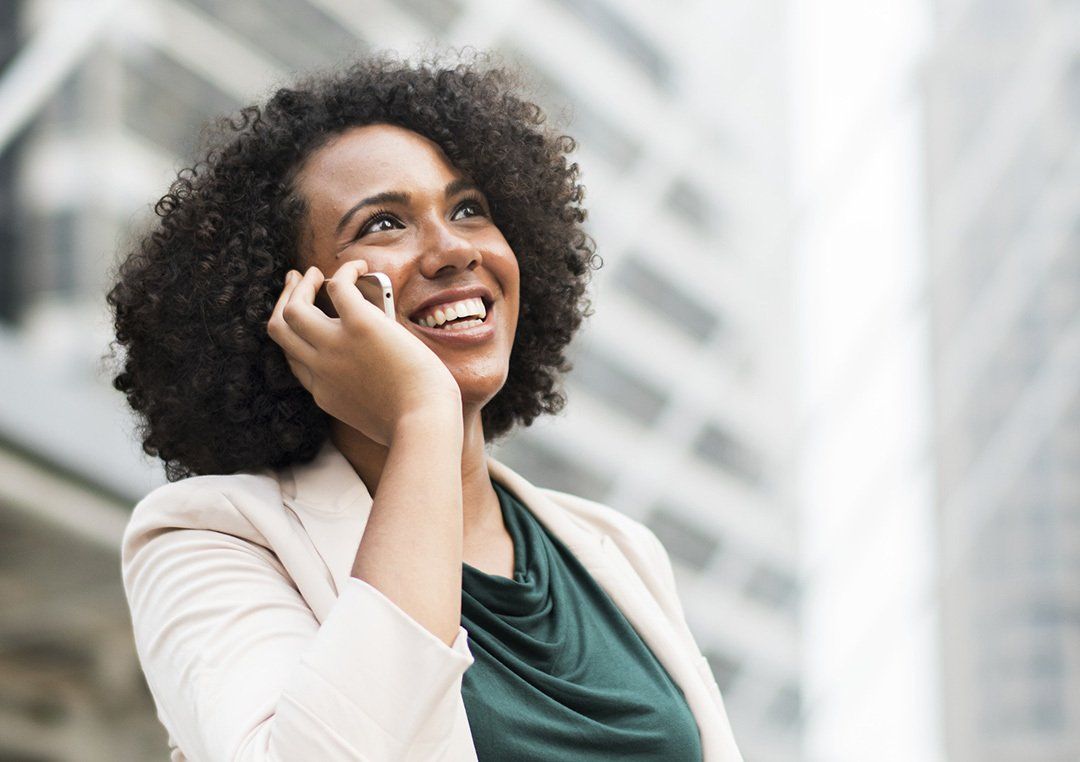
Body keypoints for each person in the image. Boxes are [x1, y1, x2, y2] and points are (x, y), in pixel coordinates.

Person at [109, 54, 743, 761]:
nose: (452, 250)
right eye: (383, 224)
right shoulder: (211, 539)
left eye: (469, 210)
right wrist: (421, 417)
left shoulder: (618, 549)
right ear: (296, 305)